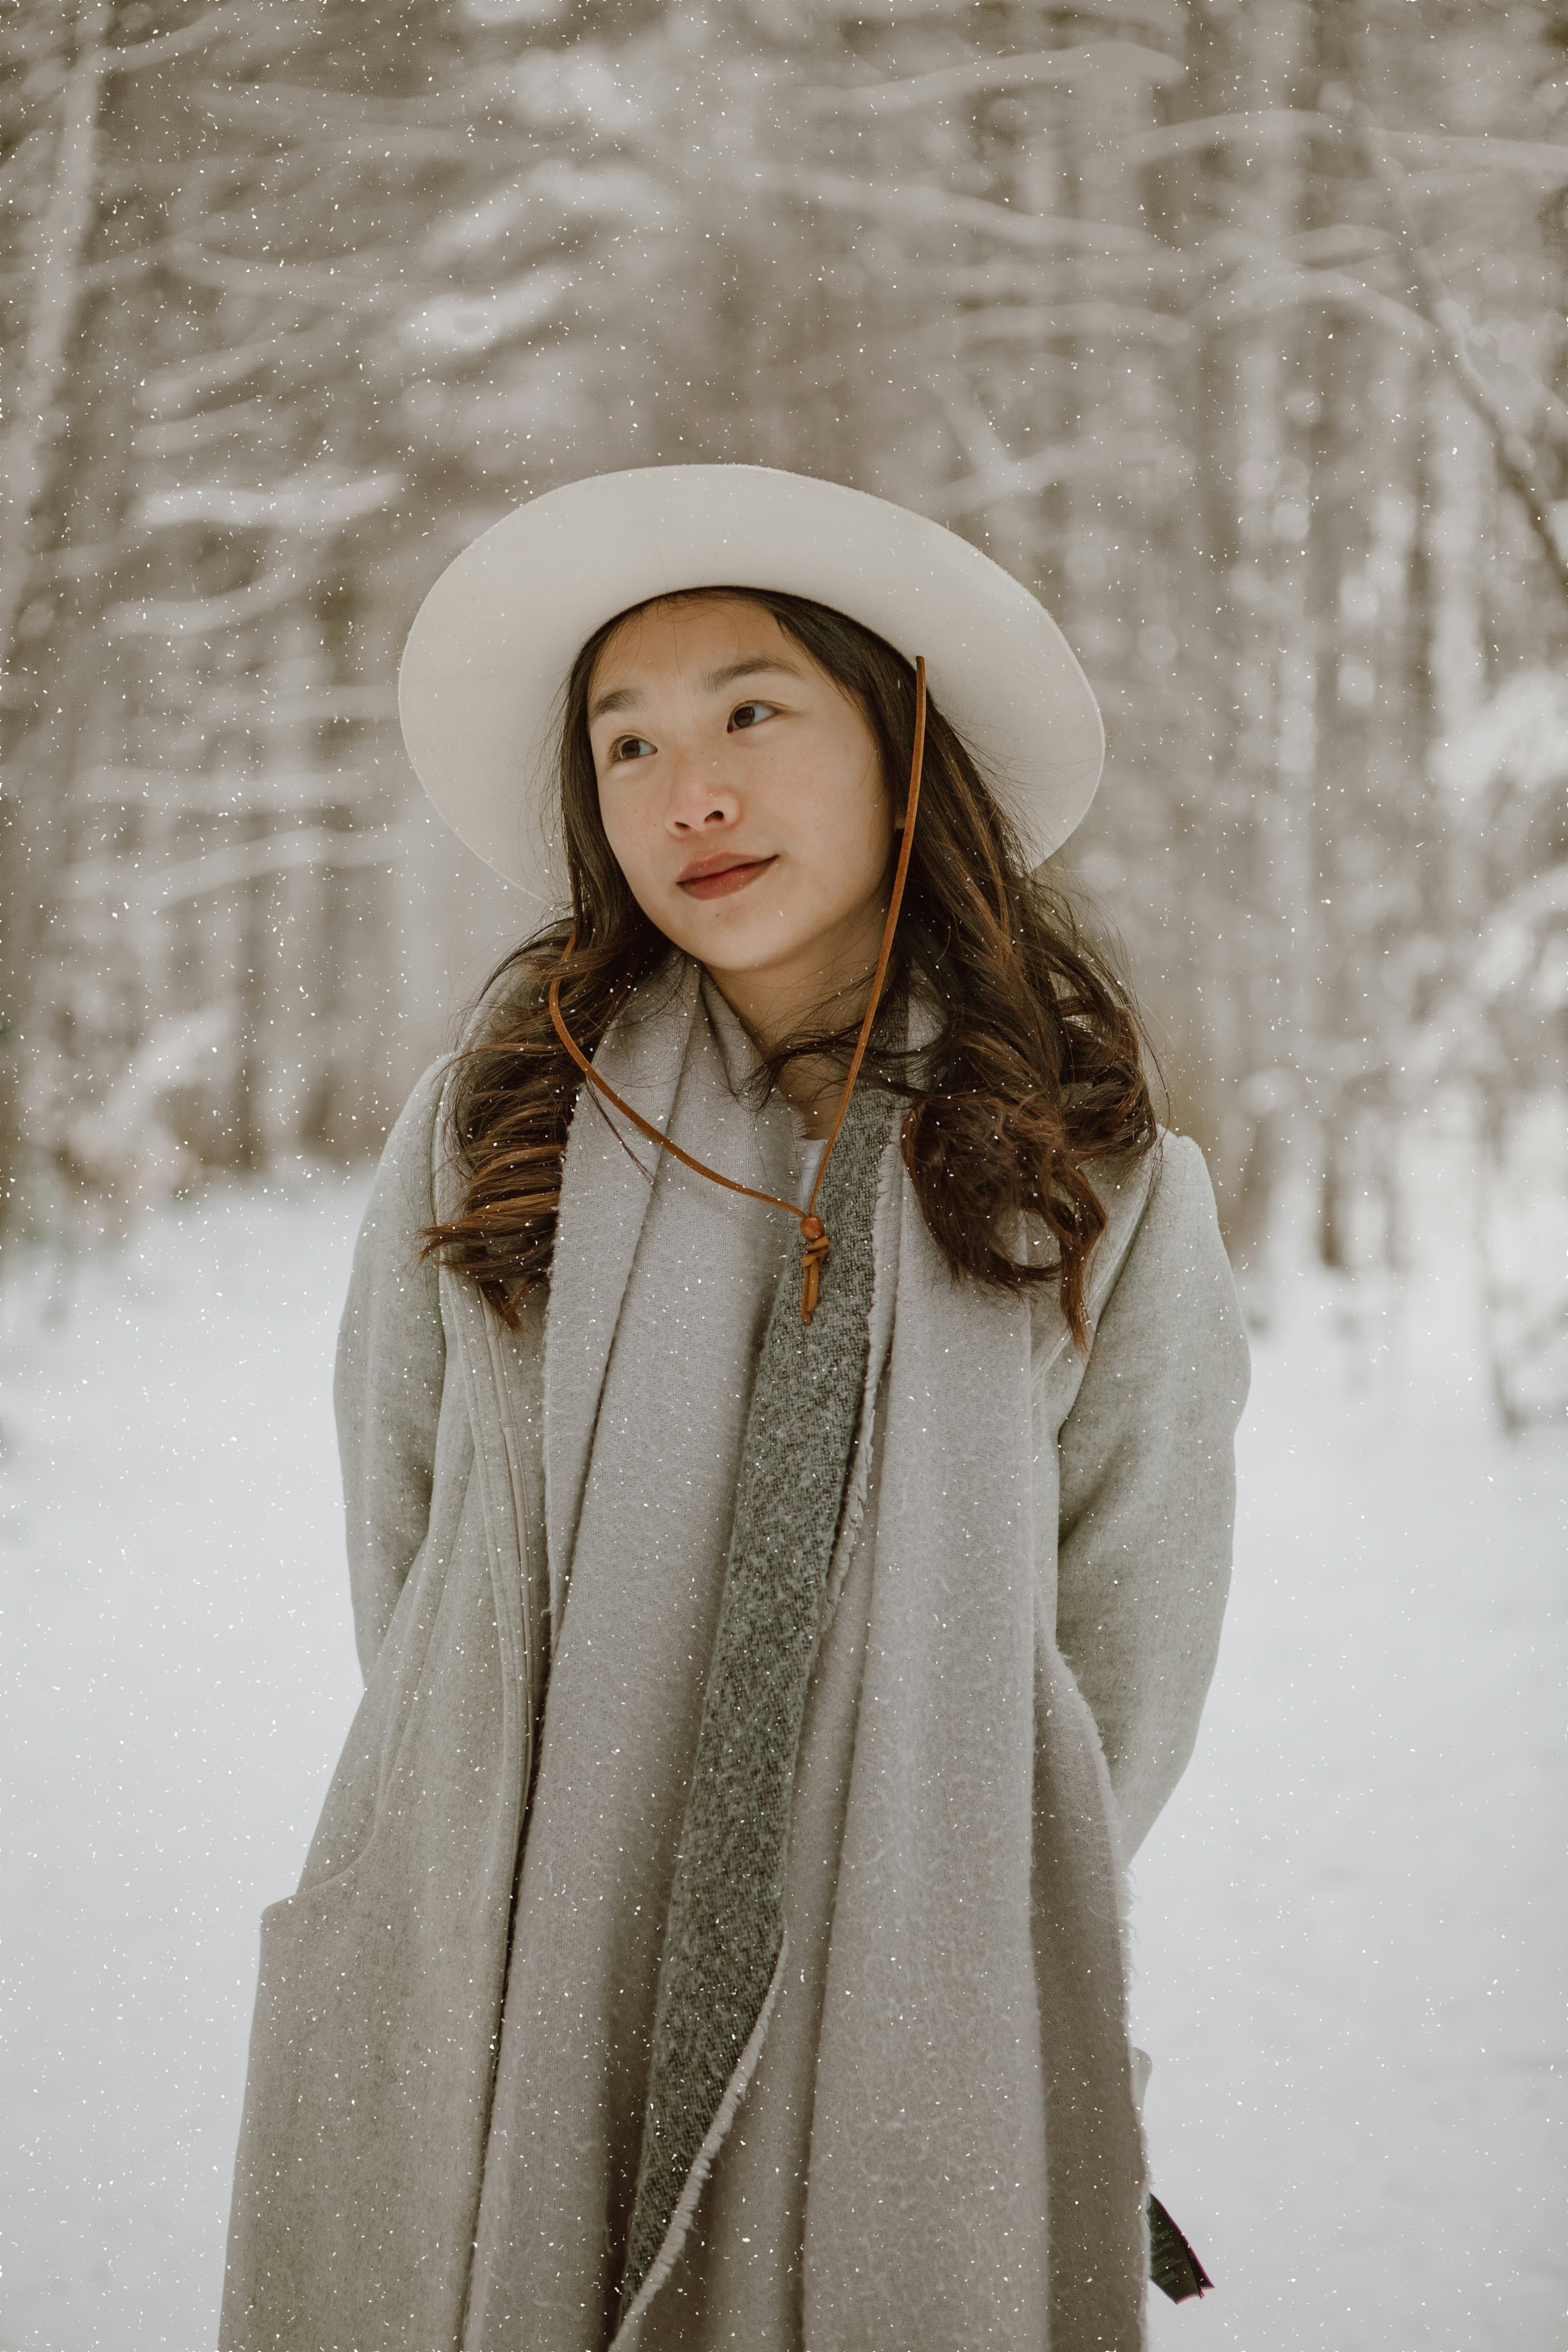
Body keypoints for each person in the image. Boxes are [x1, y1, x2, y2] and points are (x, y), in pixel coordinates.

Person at [219, 465, 1249, 2352]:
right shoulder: (495, 1131)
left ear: (902, 748)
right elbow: (414, 1550)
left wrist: (883, 1872)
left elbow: (1119, 1662)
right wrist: (566, 1848)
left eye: (751, 714)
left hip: (905, 1998)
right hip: (511, 1966)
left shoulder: (1097, 1181)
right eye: (627, 745)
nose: (686, 791)